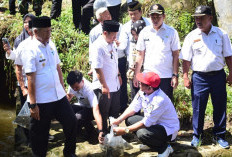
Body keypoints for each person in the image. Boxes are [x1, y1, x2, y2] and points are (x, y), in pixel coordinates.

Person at [21, 16, 77, 157]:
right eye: (45, 31)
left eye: (50, 31)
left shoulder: (51, 44)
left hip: (58, 95)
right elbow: (30, 78)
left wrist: (63, 90)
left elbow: (57, 67)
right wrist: (33, 105)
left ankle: (69, 153)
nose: (49, 34)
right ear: (35, 32)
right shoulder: (30, 49)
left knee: (71, 122)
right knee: (40, 134)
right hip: (41, 99)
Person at [179, 5, 232, 148]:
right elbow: (186, 60)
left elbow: (228, 56)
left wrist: (231, 73)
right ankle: (197, 136)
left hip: (218, 76)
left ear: (210, 18)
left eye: (201, 18)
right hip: (199, 78)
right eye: (196, 18)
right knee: (198, 107)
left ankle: (220, 135)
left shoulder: (221, 34)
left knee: (220, 106)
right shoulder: (192, 36)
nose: (198, 21)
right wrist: (185, 76)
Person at [112, 72, 179, 157]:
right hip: (154, 124)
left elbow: (145, 123)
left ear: (149, 87)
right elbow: (133, 108)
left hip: (168, 130)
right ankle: (151, 143)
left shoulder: (158, 100)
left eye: (142, 82)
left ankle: (164, 148)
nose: (139, 82)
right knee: (130, 120)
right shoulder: (143, 91)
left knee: (142, 133)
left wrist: (125, 130)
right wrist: (118, 120)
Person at [133, 4, 181, 101]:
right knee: (148, 104)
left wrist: (175, 75)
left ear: (164, 16)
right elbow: (140, 55)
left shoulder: (171, 32)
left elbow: (176, 55)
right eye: (152, 17)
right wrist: (136, 75)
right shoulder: (144, 32)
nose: (155, 20)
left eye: (158, 17)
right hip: (149, 75)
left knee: (164, 105)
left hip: (165, 76)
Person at [91, 20, 122, 134]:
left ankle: (114, 133)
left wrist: (118, 74)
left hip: (115, 84)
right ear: (105, 33)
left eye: (116, 34)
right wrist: (104, 86)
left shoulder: (112, 43)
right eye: (113, 35)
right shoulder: (98, 46)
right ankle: (103, 135)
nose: (115, 37)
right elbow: (97, 68)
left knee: (115, 111)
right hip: (103, 86)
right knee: (104, 113)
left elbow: (114, 60)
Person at [66, 70, 104, 144]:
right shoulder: (72, 85)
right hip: (82, 106)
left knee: (78, 117)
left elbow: (96, 111)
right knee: (67, 110)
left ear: (82, 81)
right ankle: (78, 131)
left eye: (76, 87)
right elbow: (68, 98)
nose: (74, 89)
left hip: (92, 109)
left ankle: (92, 133)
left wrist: (100, 131)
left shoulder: (89, 89)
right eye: (72, 87)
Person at [127, 20, 146, 100]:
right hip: (133, 72)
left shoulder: (147, 42)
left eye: (136, 34)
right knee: (135, 96)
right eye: (133, 34)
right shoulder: (132, 42)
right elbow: (130, 55)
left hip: (144, 72)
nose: (135, 37)